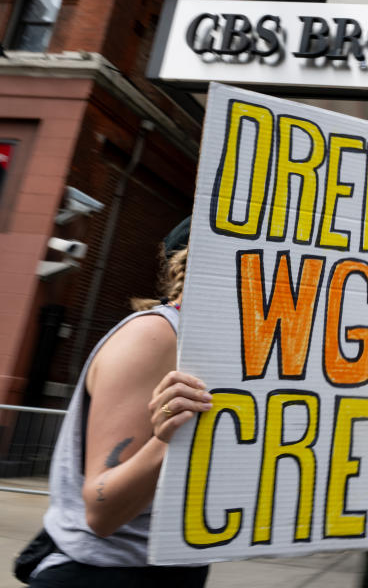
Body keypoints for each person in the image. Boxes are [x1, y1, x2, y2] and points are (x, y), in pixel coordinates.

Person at [28, 218, 212, 587]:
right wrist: (166, 441)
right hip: (104, 573)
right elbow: (102, 511)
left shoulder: (223, 350)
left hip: (174, 567)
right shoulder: (155, 336)